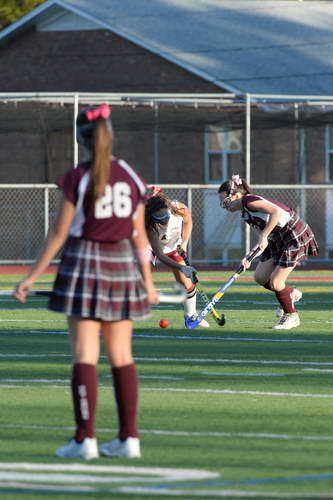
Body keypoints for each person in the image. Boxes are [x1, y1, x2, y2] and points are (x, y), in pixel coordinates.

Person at [15, 103, 159, 460]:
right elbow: (140, 237)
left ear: (82, 139)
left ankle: (85, 439)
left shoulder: (77, 177)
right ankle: (129, 439)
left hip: (83, 265)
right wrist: (149, 282)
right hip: (122, 267)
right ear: (111, 136)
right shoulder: (129, 174)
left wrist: (31, 277)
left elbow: (59, 233)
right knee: (122, 356)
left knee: (85, 355)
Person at [218, 174, 319, 330]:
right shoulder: (245, 212)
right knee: (260, 277)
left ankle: (291, 316)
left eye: (225, 201)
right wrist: (249, 258)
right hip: (277, 239)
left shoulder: (248, 200)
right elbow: (261, 240)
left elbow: (276, 213)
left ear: (237, 195)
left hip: (292, 235)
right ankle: (290, 293)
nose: (224, 206)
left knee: (276, 282)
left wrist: (264, 235)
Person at [145, 188, 209, 328]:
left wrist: (184, 243)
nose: (165, 221)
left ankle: (191, 316)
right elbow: (160, 255)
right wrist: (182, 267)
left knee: (186, 282)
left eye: (166, 217)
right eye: (160, 220)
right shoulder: (150, 227)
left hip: (174, 246)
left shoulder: (178, 208)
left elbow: (188, 222)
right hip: (150, 248)